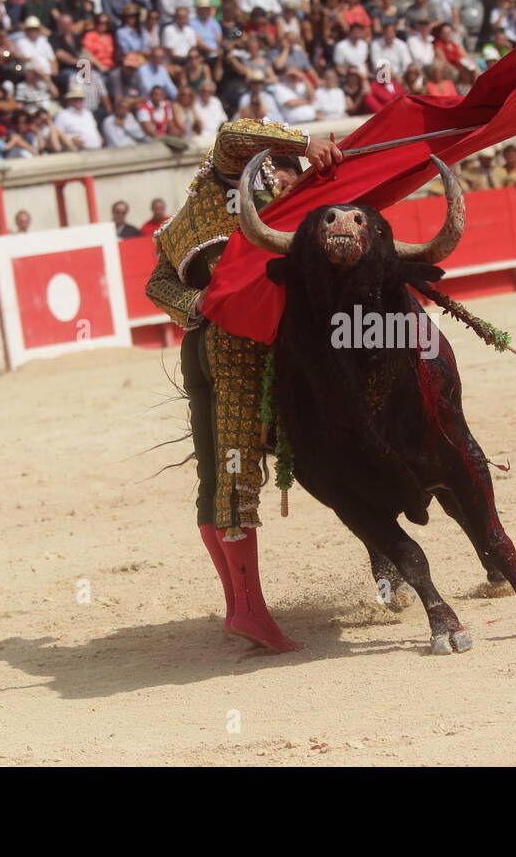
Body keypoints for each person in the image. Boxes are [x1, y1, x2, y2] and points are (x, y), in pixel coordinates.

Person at [144, 119, 342, 653]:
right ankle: (250, 611)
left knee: (216, 476)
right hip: (242, 348)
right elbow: (233, 132)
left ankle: (239, 606)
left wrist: (194, 305)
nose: (287, 181)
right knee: (236, 475)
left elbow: (157, 281)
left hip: (201, 347)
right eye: (285, 170)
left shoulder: (185, 215)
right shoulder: (237, 177)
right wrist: (305, 142)